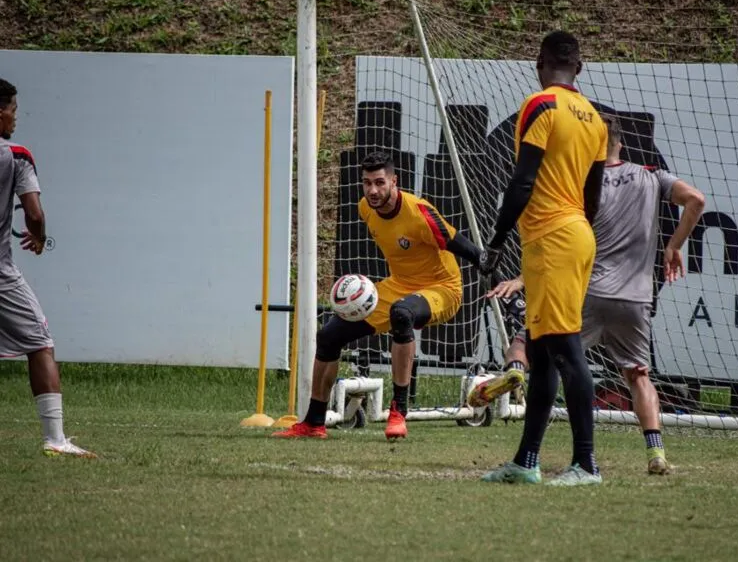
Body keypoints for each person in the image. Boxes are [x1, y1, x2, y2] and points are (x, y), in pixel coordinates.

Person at [471, 113, 706, 476]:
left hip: (587, 292)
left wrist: (524, 277)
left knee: (534, 343)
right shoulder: (652, 176)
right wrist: (674, 246)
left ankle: (516, 374)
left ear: (594, 147)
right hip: (636, 298)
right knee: (638, 375)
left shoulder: (583, 185)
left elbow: (564, 241)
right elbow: (696, 200)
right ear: (622, 145)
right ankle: (655, 452)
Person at [272, 150, 482, 441]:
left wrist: (493, 272)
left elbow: (465, 248)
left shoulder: (420, 212)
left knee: (402, 314)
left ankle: (398, 411)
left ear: (394, 181)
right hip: (399, 286)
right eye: (367, 182)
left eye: (380, 182)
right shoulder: (364, 208)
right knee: (329, 336)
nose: (373, 190)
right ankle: (313, 423)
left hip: (442, 289)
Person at [478, 30, 608, 486]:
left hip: (552, 238)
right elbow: (592, 198)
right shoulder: (595, 119)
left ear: (539, 62)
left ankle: (587, 465)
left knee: (567, 351)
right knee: (541, 350)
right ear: (581, 66)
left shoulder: (540, 105)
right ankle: (526, 461)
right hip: (573, 234)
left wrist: (496, 242)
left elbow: (521, 182)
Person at [0, 78, 97, 458]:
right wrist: (37, 237)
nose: (15, 119)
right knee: (40, 344)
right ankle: (55, 439)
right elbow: (35, 214)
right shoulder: (15, 156)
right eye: (13, 111)